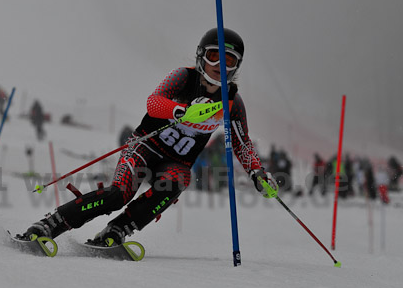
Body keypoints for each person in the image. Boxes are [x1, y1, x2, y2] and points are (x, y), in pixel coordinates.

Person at [15, 28, 279, 247]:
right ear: (201, 56)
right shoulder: (184, 77)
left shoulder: (231, 102)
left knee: (179, 181)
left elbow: (243, 145)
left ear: (237, 66)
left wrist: (258, 173)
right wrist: (181, 111)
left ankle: (117, 231)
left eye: (229, 60)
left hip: (176, 162)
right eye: (214, 56)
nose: (219, 66)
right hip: (144, 146)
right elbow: (153, 103)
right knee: (120, 193)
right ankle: (51, 223)